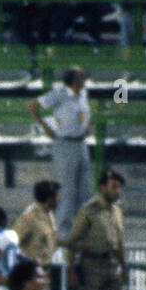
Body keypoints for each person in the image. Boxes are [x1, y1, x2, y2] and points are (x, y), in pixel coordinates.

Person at [27, 67, 91, 237]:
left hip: (81, 143)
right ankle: (64, 233)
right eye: (81, 77)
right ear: (74, 80)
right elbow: (33, 106)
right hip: (65, 144)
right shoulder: (59, 93)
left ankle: (82, 230)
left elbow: (83, 115)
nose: (84, 80)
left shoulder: (83, 94)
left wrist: (86, 126)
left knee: (84, 189)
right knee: (67, 191)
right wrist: (45, 126)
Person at [12, 180, 61, 290]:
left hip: (44, 271)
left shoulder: (49, 214)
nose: (59, 198)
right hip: (31, 274)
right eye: (56, 195)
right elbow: (13, 242)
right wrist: (27, 260)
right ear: (49, 197)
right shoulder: (30, 216)